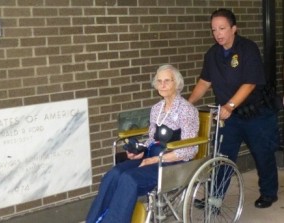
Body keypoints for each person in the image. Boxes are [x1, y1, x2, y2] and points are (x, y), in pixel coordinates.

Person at [188, 8, 280, 208]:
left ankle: (269, 193)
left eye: (222, 28)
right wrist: (187, 104)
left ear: (234, 28)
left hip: (256, 114)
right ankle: (215, 198)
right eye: (214, 30)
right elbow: (204, 82)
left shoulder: (248, 48)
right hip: (229, 117)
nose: (217, 33)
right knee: (222, 157)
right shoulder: (212, 54)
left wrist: (229, 105)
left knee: (262, 154)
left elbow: (250, 82)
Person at [86, 64, 199, 223]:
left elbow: (189, 149)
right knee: (113, 174)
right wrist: (141, 150)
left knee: (129, 179)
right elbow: (153, 138)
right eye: (159, 81)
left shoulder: (187, 110)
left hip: (173, 162)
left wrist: (154, 160)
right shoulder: (156, 109)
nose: (162, 85)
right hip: (152, 156)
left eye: (167, 80)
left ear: (177, 83)